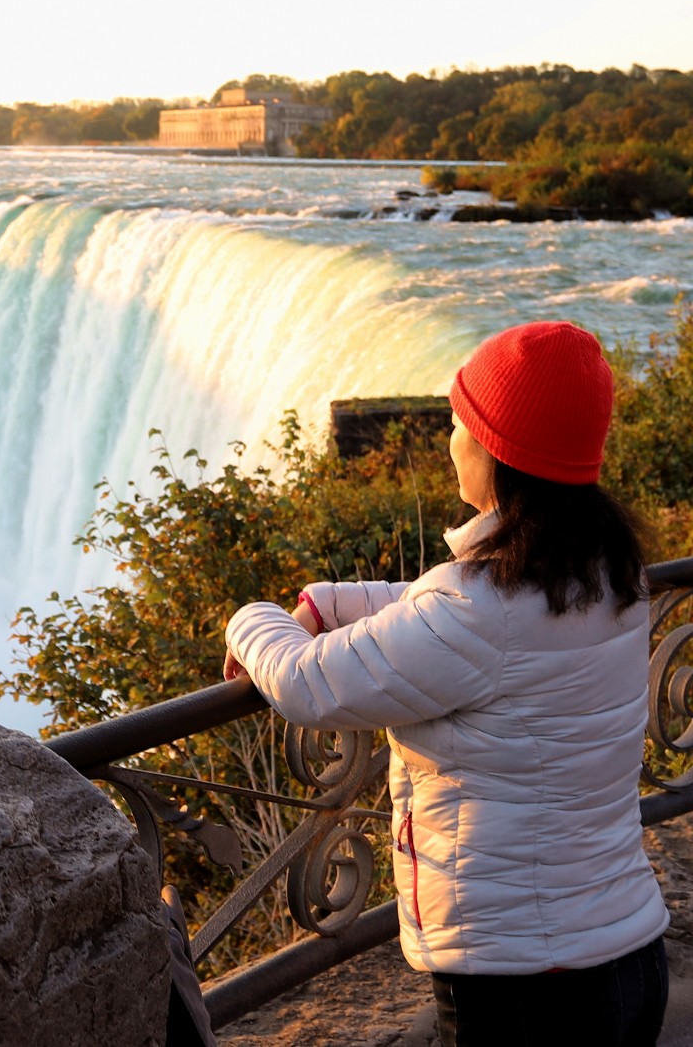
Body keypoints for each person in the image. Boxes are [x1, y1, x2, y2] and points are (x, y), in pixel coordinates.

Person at [222, 321, 669, 1046]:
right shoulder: (608, 572)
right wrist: (328, 602)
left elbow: (306, 684)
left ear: (502, 455)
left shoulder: (479, 613)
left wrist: (251, 617)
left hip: (525, 991)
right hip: (626, 959)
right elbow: (446, 612)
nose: (449, 440)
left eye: (460, 424)